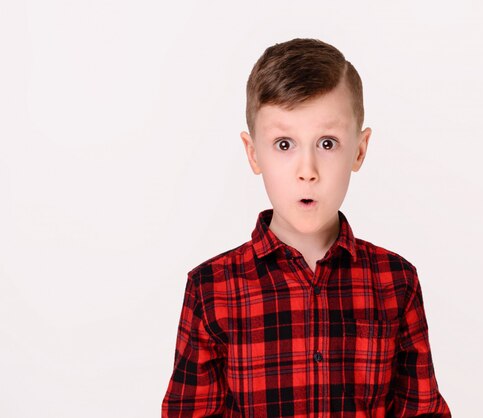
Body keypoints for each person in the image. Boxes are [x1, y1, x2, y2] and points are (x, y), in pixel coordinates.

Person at [162, 38, 451, 417]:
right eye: (284, 144)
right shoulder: (211, 289)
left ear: (359, 151)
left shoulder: (396, 282)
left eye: (327, 143)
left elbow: (422, 411)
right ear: (253, 154)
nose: (307, 171)